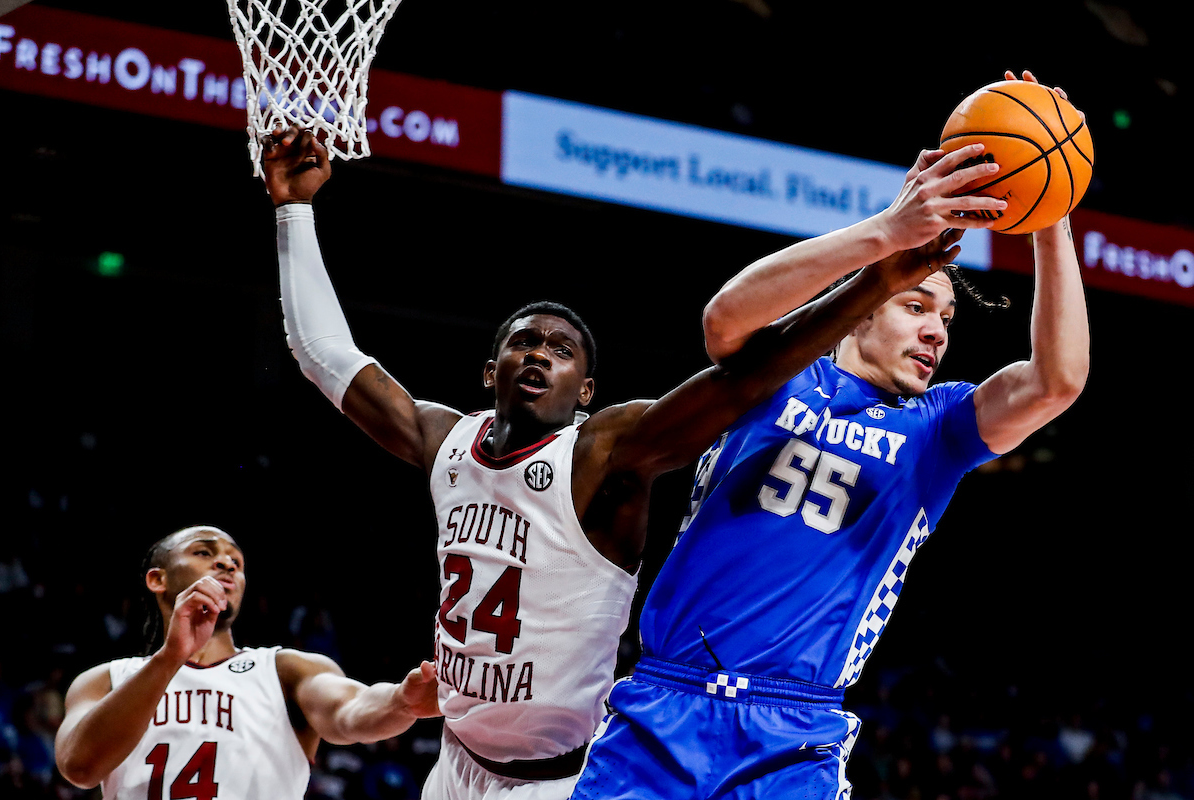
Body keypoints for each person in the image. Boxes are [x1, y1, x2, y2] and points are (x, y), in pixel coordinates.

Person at [260, 118, 1006, 799]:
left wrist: (876, 275)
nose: (538, 354)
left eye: (561, 349)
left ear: (585, 390)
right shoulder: (444, 442)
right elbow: (326, 356)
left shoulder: (606, 454)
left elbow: (744, 376)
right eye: (523, 341)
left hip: (565, 778)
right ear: (489, 372)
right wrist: (293, 212)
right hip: (454, 765)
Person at [569, 72, 1090, 800]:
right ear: (866, 309)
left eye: (948, 319)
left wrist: (1052, 214)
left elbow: (1057, 380)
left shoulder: (937, 426)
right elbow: (725, 319)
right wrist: (887, 237)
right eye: (916, 305)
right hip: (663, 707)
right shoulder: (781, 375)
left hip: (795, 734)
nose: (937, 329)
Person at [54, 525, 441, 798]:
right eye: (204, 552)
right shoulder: (105, 679)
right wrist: (173, 656)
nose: (227, 565)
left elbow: (350, 710)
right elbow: (79, 767)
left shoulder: (286, 671)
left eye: (236, 562)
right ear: (158, 579)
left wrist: (399, 702)